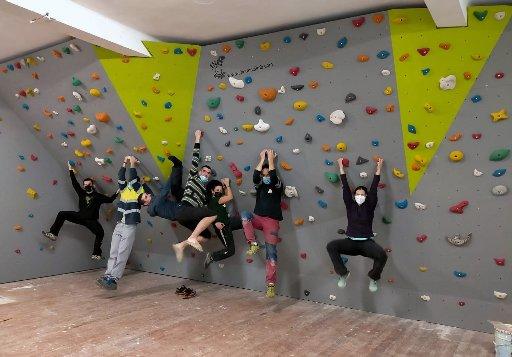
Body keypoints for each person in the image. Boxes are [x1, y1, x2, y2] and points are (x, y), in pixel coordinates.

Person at [326, 157, 387, 293]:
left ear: (366, 196)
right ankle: (343, 274)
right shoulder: (350, 205)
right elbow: (345, 187)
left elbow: (374, 186)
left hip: (366, 243)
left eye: (362, 194)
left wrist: (379, 168)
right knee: (331, 246)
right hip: (351, 242)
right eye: (357, 194)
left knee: (382, 255)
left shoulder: (370, 205)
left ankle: (373, 278)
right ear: (354, 196)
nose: (360, 196)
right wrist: (340, 166)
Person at [97, 156, 153, 290]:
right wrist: (124, 162)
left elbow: (133, 178)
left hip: (130, 225)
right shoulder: (123, 188)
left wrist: (133, 164)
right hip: (120, 224)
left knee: (123, 252)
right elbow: (121, 176)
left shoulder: (140, 191)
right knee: (114, 251)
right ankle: (108, 275)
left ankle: (114, 279)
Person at [42, 161, 118, 260]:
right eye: (85, 185)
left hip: (91, 220)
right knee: (62, 214)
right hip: (80, 216)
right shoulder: (81, 193)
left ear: (92, 185)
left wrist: (118, 192)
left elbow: (110, 199)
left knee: (100, 233)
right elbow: (74, 183)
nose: (86, 186)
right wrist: (70, 169)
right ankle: (53, 233)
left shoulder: (98, 196)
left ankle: (96, 254)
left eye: (88, 184)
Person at [241, 149, 283, 298]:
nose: (265, 177)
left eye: (267, 174)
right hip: (258, 218)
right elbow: (254, 177)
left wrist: (271, 159)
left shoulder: (278, 186)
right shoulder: (260, 187)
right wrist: (261, 159)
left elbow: (272, 176)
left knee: (271, 254)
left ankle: (270, 284)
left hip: (271, 222)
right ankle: (253, 243)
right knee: (245, 215)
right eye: (263, 175)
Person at [172, 130, 218, 262]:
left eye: (209, 173)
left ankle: (181, 246)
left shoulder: (204, 191)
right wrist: (198, 138)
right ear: (199, 172)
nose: (206, 174)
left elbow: (204, 207)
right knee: (213, 214)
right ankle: (192, 238)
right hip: (185, 209)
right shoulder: (193, 177)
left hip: (188, 217)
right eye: (204, 171)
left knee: (207, 235)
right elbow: (195, 158)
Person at [203, 178, 241, 269]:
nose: (219, 191)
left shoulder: (218, 199)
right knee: (230, 251)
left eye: (220, 190)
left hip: (228, 223)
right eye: (217, 190)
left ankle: (252, 241)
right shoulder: (215, 200)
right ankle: (212, 256)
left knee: (244, 221)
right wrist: (227, 185)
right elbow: (229, 197)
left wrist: (224, 186)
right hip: (222, 228)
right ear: (212, 191)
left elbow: (226, 195)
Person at [138, 154, 184, 220]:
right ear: (145, 203)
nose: (149, 194)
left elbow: (153, 193)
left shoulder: (152, 204)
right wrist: (171, 175)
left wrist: (144, 184)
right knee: (175, 189)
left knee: (175, 190)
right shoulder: (156, 203)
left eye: (147, 194)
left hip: (177, 206)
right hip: (180, 211)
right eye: (146, 196)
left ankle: (178, 166)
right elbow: (164, 190)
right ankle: (177, 166)